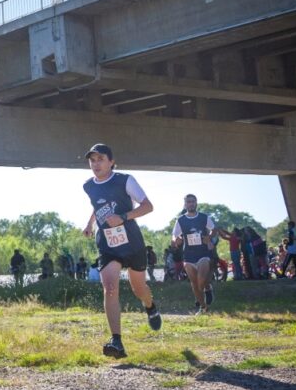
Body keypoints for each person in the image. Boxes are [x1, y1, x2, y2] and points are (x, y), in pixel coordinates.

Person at [82, 143, 161, 359]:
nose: (95, 164)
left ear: (111, 162)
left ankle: (150, 306)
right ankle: (116, 341)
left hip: (131, 242)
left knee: (139, 288)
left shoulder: (125, 180)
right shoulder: (88, 186)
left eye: (100, 159)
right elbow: (97, 205)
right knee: (109, 288)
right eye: (92, 160)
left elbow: (148, 206)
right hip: (107, 243)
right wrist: (90, 224)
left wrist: (123, 217)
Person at [172, 195, 217, 313]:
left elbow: (214, 229)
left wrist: (209, 237)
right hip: (188, 255)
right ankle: (203, 307)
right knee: (195, 283)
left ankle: (207, 289)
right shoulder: (180, 220)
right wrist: (176, 240)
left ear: (196, 203)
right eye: (188, 202)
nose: (191, 204)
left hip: (203, 253)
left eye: (193, 202)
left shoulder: (203, 217)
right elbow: (174, 235)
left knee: (201, 279)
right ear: (185, 204)